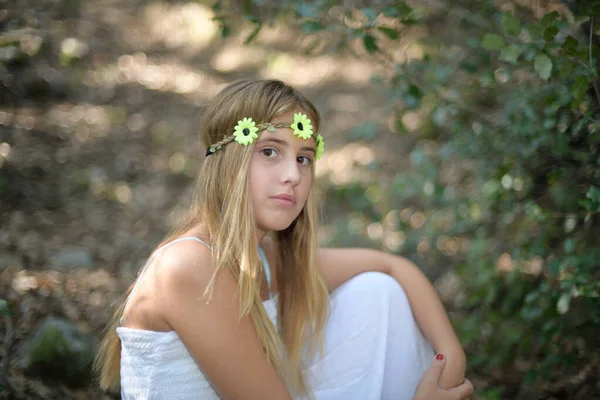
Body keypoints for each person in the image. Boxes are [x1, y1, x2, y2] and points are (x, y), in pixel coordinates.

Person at [94, 79, 474, 400]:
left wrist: (450, 355)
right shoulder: (188, 266)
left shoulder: (265, 255)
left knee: (379, 292)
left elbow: (394, 266)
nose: (293, 174)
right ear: (227, 163)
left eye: (304, 158)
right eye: (270, 151)